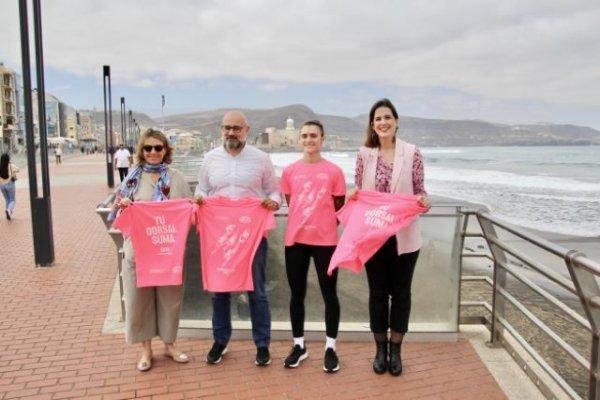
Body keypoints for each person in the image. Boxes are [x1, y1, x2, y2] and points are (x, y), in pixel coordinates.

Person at [194, 110, 280, 367]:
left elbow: (275, 190)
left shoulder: (261, 159)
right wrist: (200, 198)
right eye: (227, 128)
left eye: (236, 128)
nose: (231, 132)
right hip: (219, 235)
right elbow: (202, 188)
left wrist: (273, 202)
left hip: (251, 234)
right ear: (221, 130)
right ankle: (220, 340)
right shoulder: (210, 159)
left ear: (247, 130)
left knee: (257, 290)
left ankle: (262, 344)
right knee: (220, 291)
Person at [353, 98, 431, 377]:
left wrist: (425, 201)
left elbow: (419, 190)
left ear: (396, 121)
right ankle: (379, 349)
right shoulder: (364, 154)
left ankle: (396, 349)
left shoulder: (412, 152)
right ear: (372, 125)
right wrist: (353, 195)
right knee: (376, 295)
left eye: (387, 117)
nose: (383, 123)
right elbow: (360, 191)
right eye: (377, 119)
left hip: (405, 237)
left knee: (401, 295)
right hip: (374, 235)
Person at [111, 128, 192, 372]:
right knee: (139, 300)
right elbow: (116, 215)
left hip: (169, 254)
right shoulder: (131, 180)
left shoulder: (177, 178)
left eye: (158, 147)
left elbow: (188, 210)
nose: (153, 152)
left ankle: (169, 344)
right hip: (139, 252)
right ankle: (146, 349)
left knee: (170, 300)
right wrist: (125, 207)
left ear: (166, 149)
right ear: (141, 151)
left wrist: (195, 205)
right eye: (148, 148)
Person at [280, 120, 345, 372]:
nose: (309, 140)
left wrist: (323, 224)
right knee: (297, 295)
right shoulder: (289, 171)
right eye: (305, 136)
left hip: (326, 243)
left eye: (314, 136)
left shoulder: (334, 171)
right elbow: (290, 201)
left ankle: (330, 348)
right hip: (295, 242)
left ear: (322, 139)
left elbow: (339, 207)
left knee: (330, 294)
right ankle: (299, 346)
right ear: (299, 139)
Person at [0, 153, 19, 221]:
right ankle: (9, 210)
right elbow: (18, 169)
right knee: (12, 200)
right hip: (10, 184)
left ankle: (8, 213)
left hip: (1, 185)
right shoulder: (11, 165)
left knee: (7, 199)